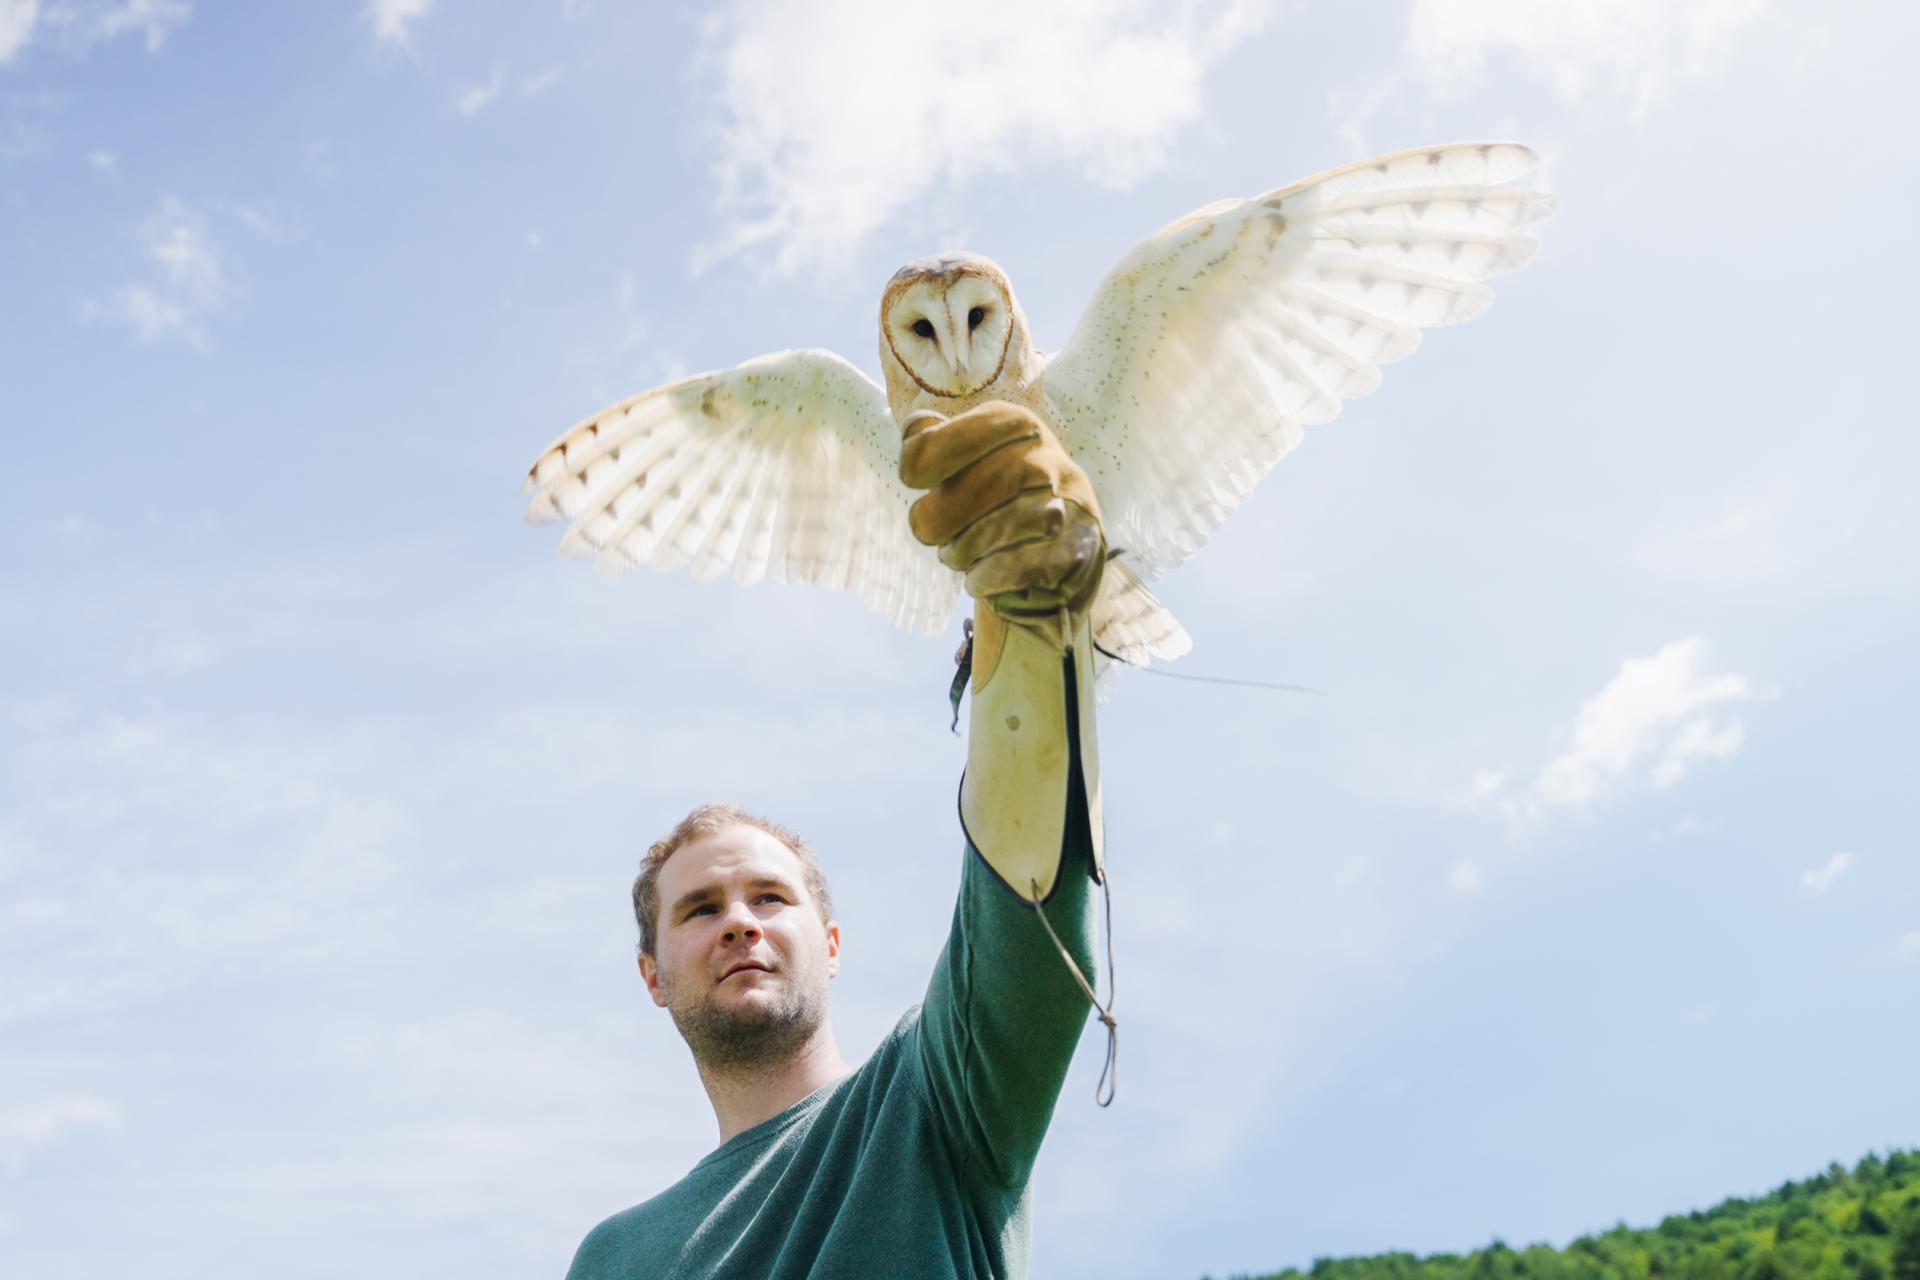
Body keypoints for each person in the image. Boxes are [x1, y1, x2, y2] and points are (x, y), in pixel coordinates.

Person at [564, 400, 1114, 1280]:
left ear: (829, 943)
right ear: (652, 977)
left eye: (770, 897)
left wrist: (1032, 632)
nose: (740, 921)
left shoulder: (933, 1100)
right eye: (701, 908)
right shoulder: (616, 1256)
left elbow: (1025, 926)